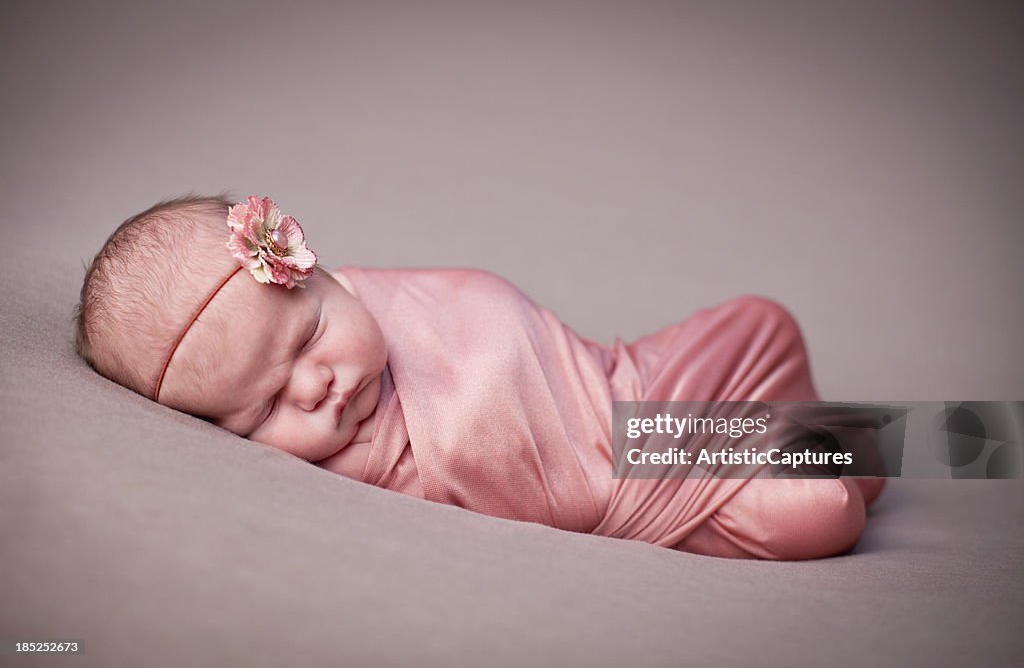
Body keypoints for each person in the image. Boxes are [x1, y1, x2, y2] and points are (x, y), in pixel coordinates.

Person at [74, 193, 885, 560]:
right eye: (262, 409)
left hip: (619, 381)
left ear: (320, 275)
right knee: (822, 508)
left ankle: (812, 439)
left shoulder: (373, 289)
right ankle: (815, 452)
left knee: (761, 320)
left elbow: (493, 323)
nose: (316, 385)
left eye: (312, 334)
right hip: (627, 465)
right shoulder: (347, 470)